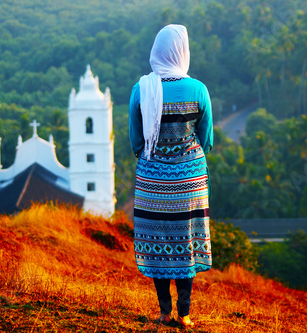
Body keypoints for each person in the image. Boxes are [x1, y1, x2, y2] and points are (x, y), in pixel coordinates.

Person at [129, 24, 213, 328]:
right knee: (186, 243)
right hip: (190, 179)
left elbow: (136, 141)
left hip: (152, 180)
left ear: (157, 51)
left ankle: (164, 313)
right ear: (183, 51)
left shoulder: (142, 89)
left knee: (158, 243)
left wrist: (157, 159)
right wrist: (186, 158)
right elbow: (207, 139)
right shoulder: (199, 90)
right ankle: (185, 314)